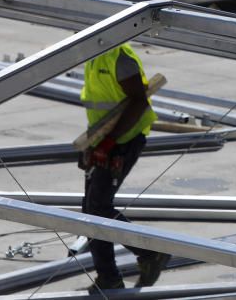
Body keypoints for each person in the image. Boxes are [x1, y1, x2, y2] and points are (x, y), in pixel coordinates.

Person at [79, 43, 170, 290]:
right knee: (90, 209)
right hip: (104, 139)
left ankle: (149, 254)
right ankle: (109, 276)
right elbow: (102, 105)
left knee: (98, 207)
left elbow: (138, 102)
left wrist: (109, 142)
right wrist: (92, 142)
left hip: (124, 139)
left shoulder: (119, 58)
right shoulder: (94, 55)